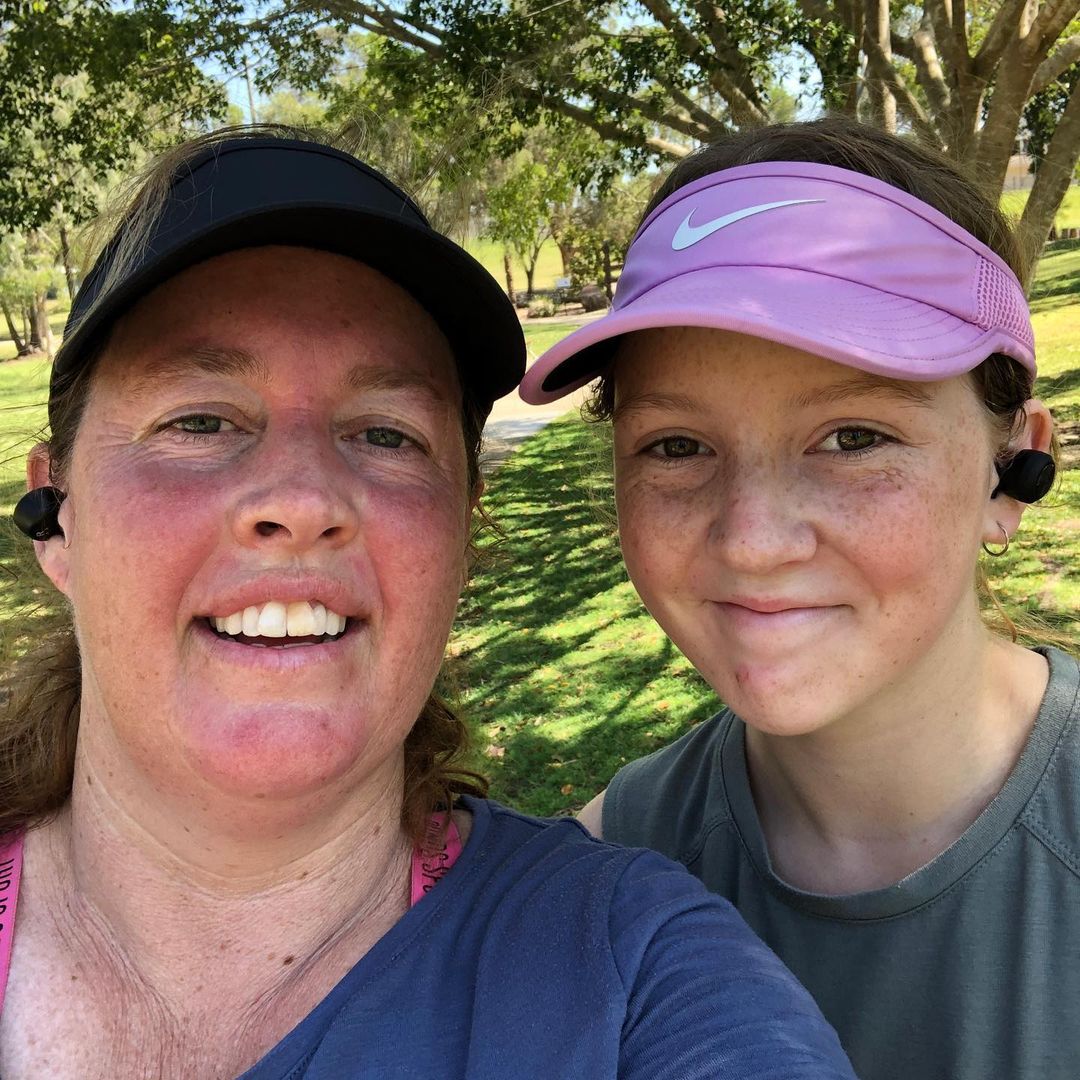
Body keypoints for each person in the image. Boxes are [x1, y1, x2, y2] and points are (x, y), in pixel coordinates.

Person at [0, 125, 856, 1079]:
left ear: (462, 529)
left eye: (386, 434)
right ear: (56, 513)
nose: (303, 501)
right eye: (199, 420)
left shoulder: (633, 971)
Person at [520, 117, 1078, 1080]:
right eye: (677, 447)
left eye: (855, 437)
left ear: (1011, 465)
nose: (752, 540)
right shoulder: (605, 870)